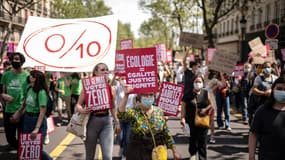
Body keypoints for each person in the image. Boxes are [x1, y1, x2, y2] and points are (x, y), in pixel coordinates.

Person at [118, 88, 180, 160]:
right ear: (140, 97)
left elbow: (165, 131)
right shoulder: (134, 111)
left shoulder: (159, 111)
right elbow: (121, 116)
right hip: (138, 152)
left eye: (151, 95)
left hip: (156, 151)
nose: (148, 97)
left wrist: (174, 150)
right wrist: (126, 95)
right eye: (145, 95)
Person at [76, 63, 120, 160]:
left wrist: (117, 122)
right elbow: (78, 105)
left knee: (107, 157)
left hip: (107, 123)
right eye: (102, 70)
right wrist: (83, 110)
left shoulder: (110, 88)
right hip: (91, 122)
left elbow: (113, 107)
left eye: (106, 70)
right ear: (95, 72)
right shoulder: (86, 88)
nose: (105, 72)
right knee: (90, 156)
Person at [11, 70, 52, 160]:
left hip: (37, 119)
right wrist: (17, 113)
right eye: (30, 75)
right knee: (28, 146)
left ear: (37, 79)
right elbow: (25, 104)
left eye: (32, 76)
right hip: (27, 119)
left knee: (37, 148)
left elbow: (42, 112)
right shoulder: (29, 88)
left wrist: (37, 128)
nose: (30, 77)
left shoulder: (41, 92)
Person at [248, 72, 285, 160]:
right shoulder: (262, 111)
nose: (283, 91)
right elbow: (253, 134)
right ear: (273, 89)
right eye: (279, 88)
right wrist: (251, 156)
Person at [1, 52, 30, 149]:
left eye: (17, 59)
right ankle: (17, 147)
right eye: (13, 59)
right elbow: (2, 91)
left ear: (22, 61)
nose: (15, 61)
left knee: (23, 136)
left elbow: (30, 94)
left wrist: (21, 110)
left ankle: (21, 153)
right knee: (9, 136)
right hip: (9, 110)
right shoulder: (6, 75)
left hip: (22, 111)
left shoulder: (27, 76)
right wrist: (4, 96)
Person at [181, 75, 213, 160]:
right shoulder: (188, 94)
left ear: (202, 83)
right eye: (196, 81)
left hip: (203, 120)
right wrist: (182, 118)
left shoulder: (206, 93)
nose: (198, 83)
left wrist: (205, 109)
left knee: (202, 141)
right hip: (191, 121)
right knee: (193, 140)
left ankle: (202, 158)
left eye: (200, 82)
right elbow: (183, 107)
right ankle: (193, 155)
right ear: (193, 82)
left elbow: (211, 104)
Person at [114, 76, 136, 159]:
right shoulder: (118, 88)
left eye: (125, 78)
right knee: (120, 137)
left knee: (127, 139)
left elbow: (135, 102)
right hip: (120, 116)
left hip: (130, 116)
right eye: (122, 78)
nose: (124, 80)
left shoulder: (133, 88)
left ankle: (124, 155)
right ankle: (122, 147)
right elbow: (108, 88)